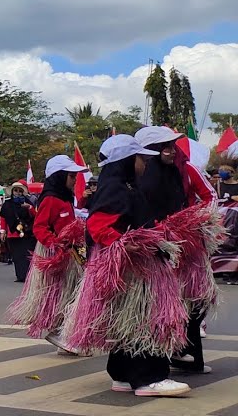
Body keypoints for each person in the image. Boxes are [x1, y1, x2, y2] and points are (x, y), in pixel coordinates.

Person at [63, 135, 191, 398]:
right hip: (136, 270)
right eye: (141, 159)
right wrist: (125, 244)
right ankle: (149, 378)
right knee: (146, 320)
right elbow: (98, 225)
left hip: (132, 268)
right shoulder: (117, 189)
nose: (144, 164)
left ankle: (122, 374)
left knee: (127, 322)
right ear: (126, 161)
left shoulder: (121, 187)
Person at [134, 126, 216, 377]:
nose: (172, 150)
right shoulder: (138, 173)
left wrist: (193, 221)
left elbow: (210, 196)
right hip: (154, 248)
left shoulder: (186, 168)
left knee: (193, 301)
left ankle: (188, 357)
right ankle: (149, 364)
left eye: (173, 145)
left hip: (188, 247)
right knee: (158, 305)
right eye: (165, 146)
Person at [8, 156, 88, 354]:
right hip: (54, 253)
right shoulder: (51, 199)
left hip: (70, 251)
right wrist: (55, 245)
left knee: (71, 293)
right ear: (59, 176)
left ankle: (64, 335)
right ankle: (59, 332)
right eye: (71, 176)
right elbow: (40, 227)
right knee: (60, 294)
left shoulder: (66, 198)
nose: (74, 179)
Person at [0, 181, 37, 283]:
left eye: (20, 191)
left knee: (27, 255)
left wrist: (29, 208)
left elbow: (35, 216)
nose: (18, 193)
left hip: (27, 233)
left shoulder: (28, 203)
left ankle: (28, 275)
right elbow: (3, 218)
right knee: (17, 256)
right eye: (16, 191)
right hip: (13, 234)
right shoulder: (7, 204)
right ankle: (20, 275)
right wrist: (2, 231)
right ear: (12, 192)